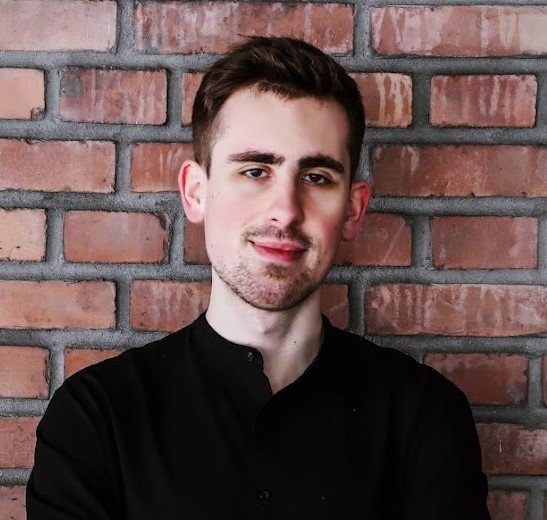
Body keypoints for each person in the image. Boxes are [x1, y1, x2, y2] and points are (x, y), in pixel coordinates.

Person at [26, 36, 490, 519]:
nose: (285, 211)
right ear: (196, 192)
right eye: (255, 171)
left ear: (353, 211)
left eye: (316, 177)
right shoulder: (96, 417)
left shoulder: (423, 416)